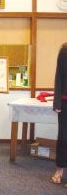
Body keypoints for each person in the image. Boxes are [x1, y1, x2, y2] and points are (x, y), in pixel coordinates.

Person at [50, 43, 67, 187]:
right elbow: (59, 76)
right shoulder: (64, 50)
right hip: (65, 102)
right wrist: (57, 102)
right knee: (63, 137)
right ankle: (59, 170)